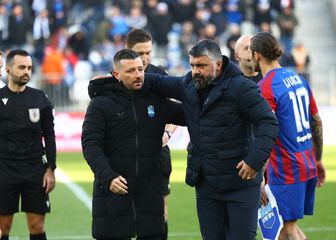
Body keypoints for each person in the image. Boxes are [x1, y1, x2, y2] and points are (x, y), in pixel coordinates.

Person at [145, 39, 279, 240]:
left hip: (240, 184)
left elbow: (268, 122)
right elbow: (154, 81)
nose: (195, 71)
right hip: (207, 185)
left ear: (218, 64)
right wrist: (116, 77)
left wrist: (254, 160)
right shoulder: (188, 84)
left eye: (201, 65)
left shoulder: (241, 87)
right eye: (192, 65)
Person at [81, 48, 185, 240]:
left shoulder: (154, 100)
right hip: (114, 190)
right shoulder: (101, 104)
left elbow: (189, 114)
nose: (138, 75)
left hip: (150, 191)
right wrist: (108, 177)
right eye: (130, 71)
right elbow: (90, 144)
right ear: (116, 74)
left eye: (140, 69)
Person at [249, 31, 326, 240]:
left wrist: (258, 178)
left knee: (288, 231)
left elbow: (266, 133)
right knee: (287, 229)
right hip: (306, 162)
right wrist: (318, 159)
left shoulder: (265, 87)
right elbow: (316, 121)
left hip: (286, 168)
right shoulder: (298, 79)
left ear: (257, 55)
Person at [124, 28, 177, 240]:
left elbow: (175, 109)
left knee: (159, 213)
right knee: (126, 216)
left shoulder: (159, 76)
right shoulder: (117, 77)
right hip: (127, 156)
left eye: (148, 52)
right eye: (140, 53)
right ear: (127, 50)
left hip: (157, 154)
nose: (145, 58)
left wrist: (168, 133)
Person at [0, 49, 56, 240]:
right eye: (22, 67)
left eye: (30, 68)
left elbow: (49, 135)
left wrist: (51, 168)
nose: (27, 71)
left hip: (35, 170)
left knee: (37, 226)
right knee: (3, 228)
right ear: (8, 69)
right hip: (4, 169)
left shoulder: (40, 98)